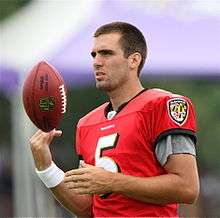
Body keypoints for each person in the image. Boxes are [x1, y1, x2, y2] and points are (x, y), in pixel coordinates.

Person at [29, 22, 200, 217]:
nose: (96, 62)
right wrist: (46, 167)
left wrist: (112, 181)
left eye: (106, 53)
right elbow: (87, 209)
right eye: (94, 55)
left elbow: (187, 188)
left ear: (134, 60)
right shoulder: (87, 123)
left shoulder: (161, 105)